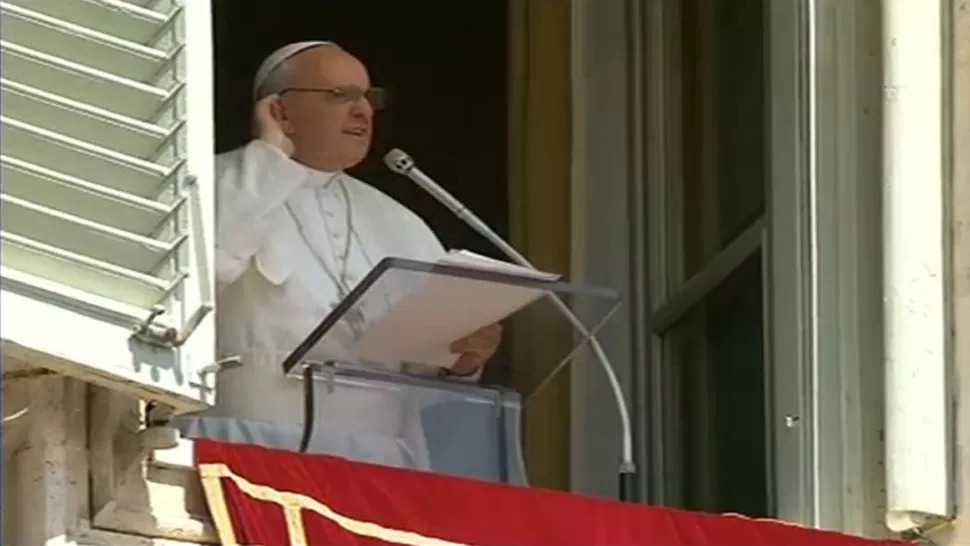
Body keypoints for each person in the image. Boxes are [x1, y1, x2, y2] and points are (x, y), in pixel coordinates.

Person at [211, 41, 502, 468]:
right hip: (254, 444)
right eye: (340, 95)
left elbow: (418, 371)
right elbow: (204, 272)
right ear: (279, 111)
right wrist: (269, 158)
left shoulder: (400, 221)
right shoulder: (219, 183)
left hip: (377, 460)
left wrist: (460, 360)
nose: (363, 110)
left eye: (368, 97)